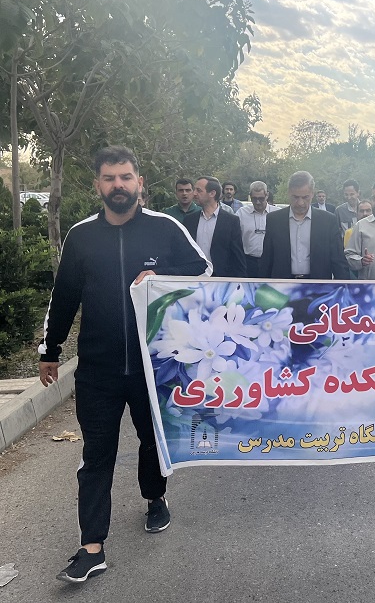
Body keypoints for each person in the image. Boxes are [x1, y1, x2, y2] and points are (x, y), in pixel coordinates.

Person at [38, 146, 210, 583]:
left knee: (151, 440)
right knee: (97, 454)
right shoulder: (81, 236)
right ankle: (91, 547)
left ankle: (155, 497)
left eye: (126, 177)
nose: (119, 185)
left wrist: (161, 275)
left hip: (155, 365)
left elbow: (204, 270)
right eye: (110, 178)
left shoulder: (164, 227)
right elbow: (64, 296)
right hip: (98, 369)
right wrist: (50, 350)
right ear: (97, 184)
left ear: (139, 182)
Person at [261, 171, 350, 280]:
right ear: (289, 193)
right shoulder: (274, 220)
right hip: (283, 284)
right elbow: (267, 259)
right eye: (295, 197)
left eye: (305, 197)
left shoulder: (328, 221)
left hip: (317, 285)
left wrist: (345, 287)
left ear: (312, 194)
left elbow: (338, 260)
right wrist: (261, 286)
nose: (300, 203)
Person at [184, 176, 247, 278]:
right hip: (194, 278)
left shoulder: (231, 221)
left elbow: (237, 257)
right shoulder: (189, 220)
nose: (194, 193)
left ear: (212, 193)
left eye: (199, 190)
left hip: (220, 279)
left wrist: (240, 283)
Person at [237, 181, 279, 278]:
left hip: (271, 262)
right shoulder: (242, 213)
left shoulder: (277, 213)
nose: (258, 202)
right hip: (248, 261)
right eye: (254, 199)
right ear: (250, 196)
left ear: (267, 195)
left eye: (261, 198)